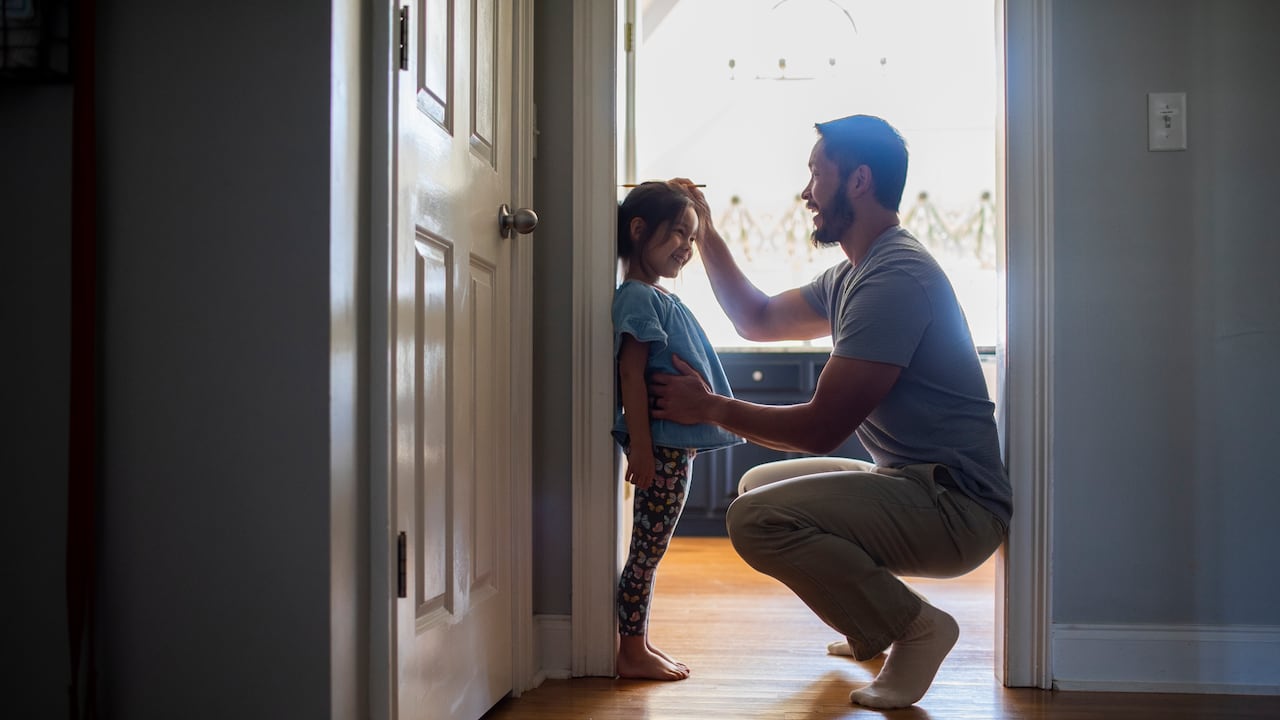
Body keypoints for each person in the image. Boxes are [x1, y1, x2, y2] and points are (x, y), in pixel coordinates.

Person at [650, 115, 1011, 709]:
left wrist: (710, 407)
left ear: (859, 181)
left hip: (957, 509)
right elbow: (758, 319)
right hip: (915, 485)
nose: (806, 192)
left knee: (754, 519)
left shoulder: (893, 279)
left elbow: (821, 429)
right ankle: (865, 619)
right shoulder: (853, 274)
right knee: (758, 485)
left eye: (818, 173)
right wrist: (707, 233)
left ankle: (917, 629)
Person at [611, 181, 743, 681]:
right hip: (661, 449)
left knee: (651, 549)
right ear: (639, 230)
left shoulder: (654, 295)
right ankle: (631, 650)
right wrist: (641, 449)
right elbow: (630, 374)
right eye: (679, 234)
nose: (688, 246)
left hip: (671, 447)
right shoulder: (638, 297)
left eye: (693, 237)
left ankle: (638, 642)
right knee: (646, 553)